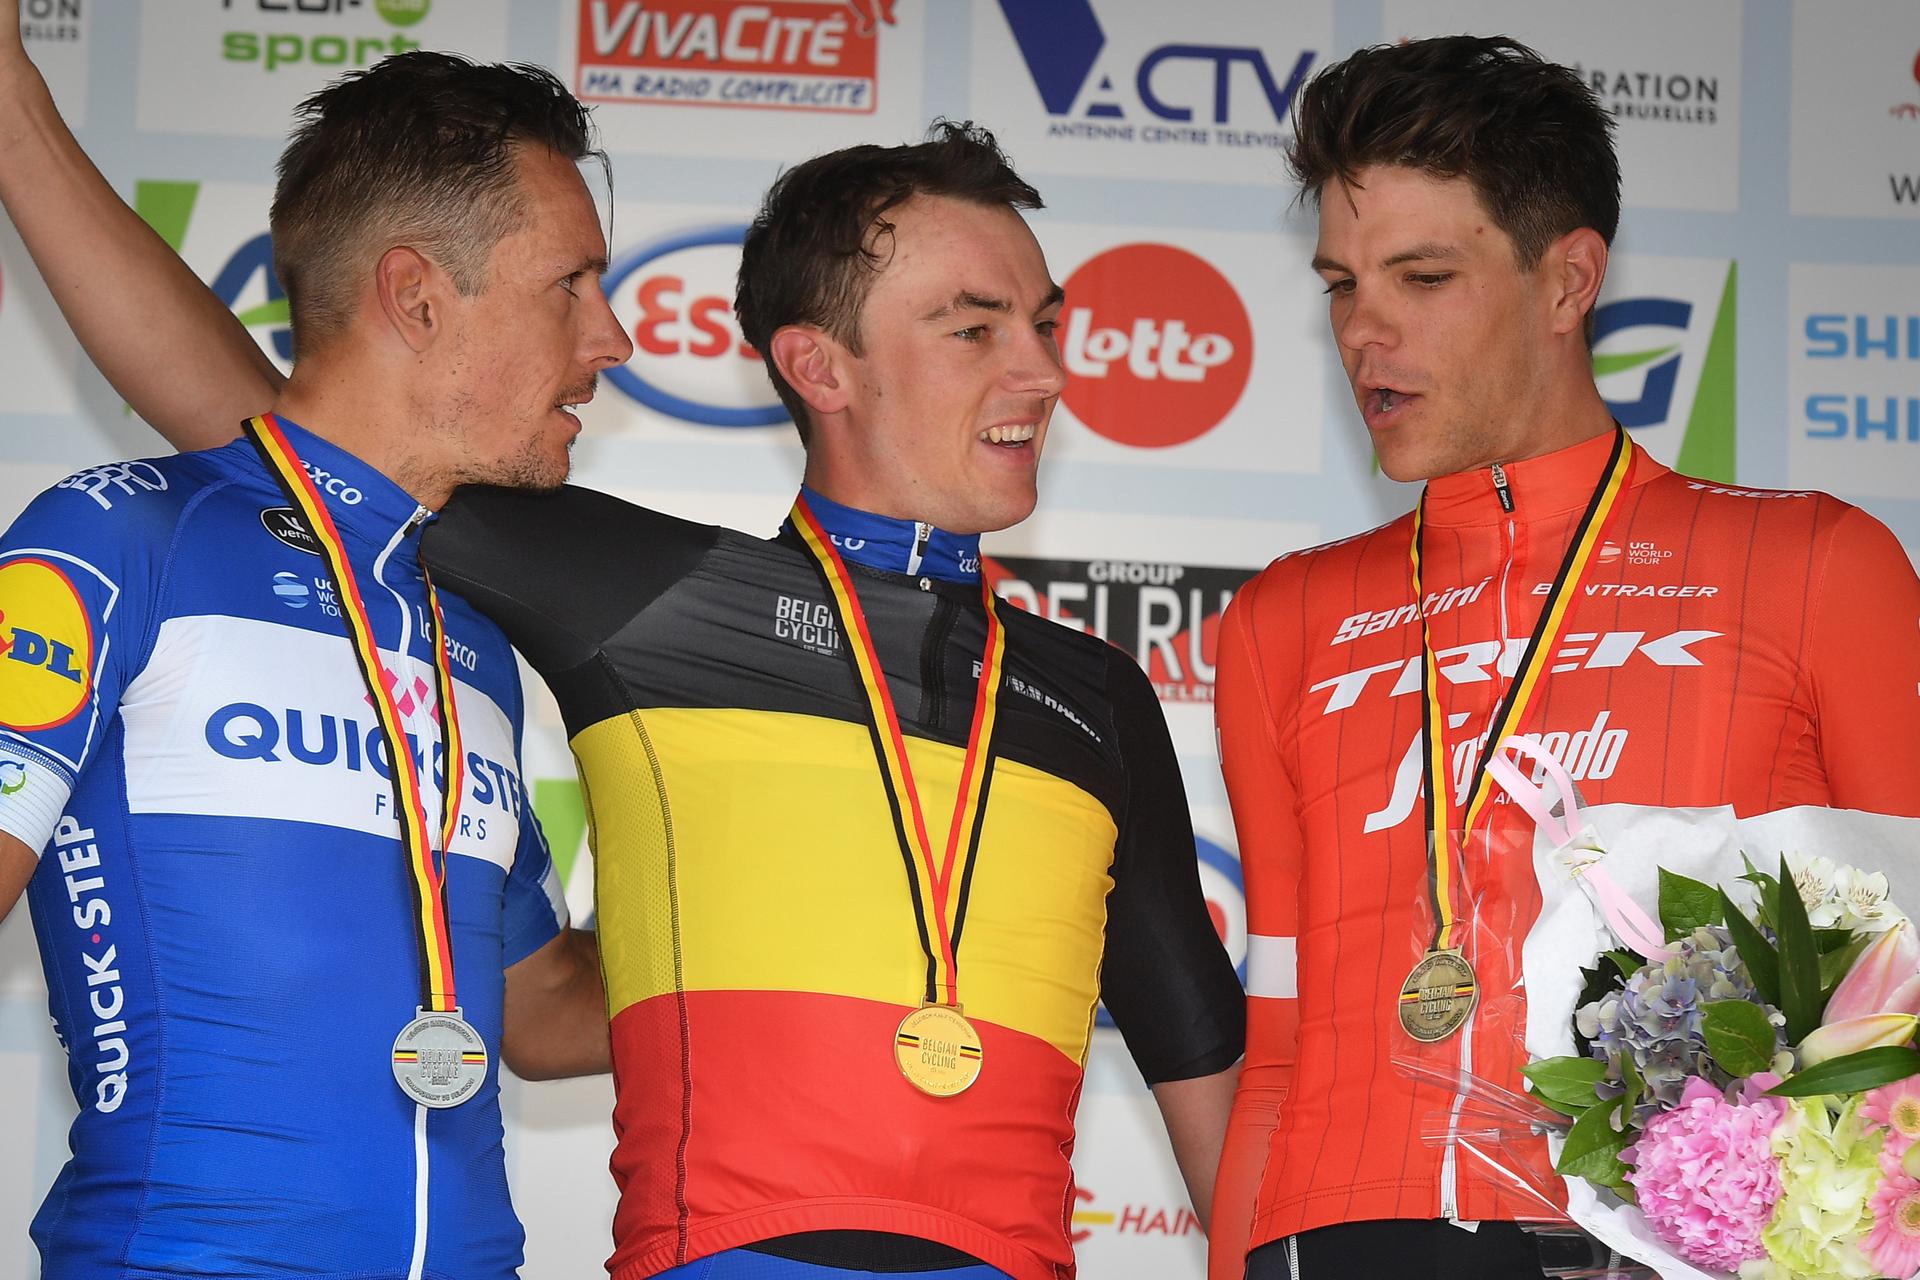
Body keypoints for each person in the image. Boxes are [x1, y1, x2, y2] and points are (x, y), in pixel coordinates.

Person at [0, 29, 1246, 1280]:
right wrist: (19, 120)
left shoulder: (1090, 694)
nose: (1043, 367)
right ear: (818, 364)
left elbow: (542, 1006)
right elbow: (285, 427)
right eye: (975, 329)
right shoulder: (630, 595)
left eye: (1045, 322)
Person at [1207, 33, 1920, 1280]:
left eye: (1421, 276)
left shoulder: (1817, 563)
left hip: (1654, 1237)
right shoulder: (1283, 618)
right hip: (1332, 1231)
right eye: (1339, 283)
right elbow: (1275, 1047)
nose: (1363, 330)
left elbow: (1906, 1001)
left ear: (1568, 279)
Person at [0, 25, 620, 1280]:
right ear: (415, 294)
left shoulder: (477, 628)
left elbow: (546, 1005)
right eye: (572, 285)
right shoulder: (121, 538)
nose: (612, 337)